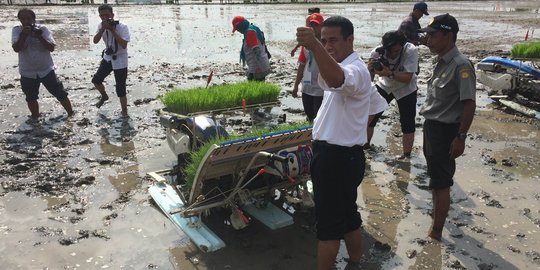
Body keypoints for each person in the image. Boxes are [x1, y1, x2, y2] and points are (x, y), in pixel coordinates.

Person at [297, 16, 383, 270]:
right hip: (345, 156)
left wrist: (314, 46)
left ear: (350, 39)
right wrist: (362, 128)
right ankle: (355, 262)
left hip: (336, 159)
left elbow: (338, 80)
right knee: (347, 216)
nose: (328, 45)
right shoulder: (342, 67)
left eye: (333, 40)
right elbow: (377, 104)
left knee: (328, 226)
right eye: (324, 40)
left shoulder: (355, 70)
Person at [418, 13, 476, 241]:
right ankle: (436, 220)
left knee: (441, 183)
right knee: (435, 178)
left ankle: (436, 233)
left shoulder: (461, 65)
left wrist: (461, 137)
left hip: (445, 132)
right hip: (432, 128)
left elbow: (469, 104)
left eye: (433, 35)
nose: (428, 40)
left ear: (448, 36)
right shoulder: (440, 62)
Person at [11, 8, 74, 119]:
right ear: (20, 20)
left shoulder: (42, 29)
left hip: (46, 69)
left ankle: (71, 113)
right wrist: (24, 35)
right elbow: (16, 48)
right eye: (23, 19)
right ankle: (35, 117)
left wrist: (39, 36)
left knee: (60, 93)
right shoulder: (17, 30)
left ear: (33, 19)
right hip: (27, 71)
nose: (26, 21)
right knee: (30, 97)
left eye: (29, 19)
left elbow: (51, 47)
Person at [367, 30, 419, 159]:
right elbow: (370, 79)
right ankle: (365, 145)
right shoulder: (377, 52)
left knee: (407, 121)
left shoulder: (410, 50)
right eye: (389, 50)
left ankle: (406, 154)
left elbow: (407, 77)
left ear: (402, 45)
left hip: (406, 88)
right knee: (370, 115)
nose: (392, 54)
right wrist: (369, 70)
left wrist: (389, 73)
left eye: (395, 51)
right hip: (385, 84)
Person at [91, 4, 130, 114]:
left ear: (112, 15)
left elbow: (124, 45)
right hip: (108, 57)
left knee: (120, 88)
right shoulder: (101, 26)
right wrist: (102, 30)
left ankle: (124, 112)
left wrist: (113, 30)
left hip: (120, 59)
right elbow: (95, 41)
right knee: (96, 80)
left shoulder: (122, 26)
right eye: (102, 16)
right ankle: (104, 96)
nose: (105, 18)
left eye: (107, 15)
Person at [292, 13, 325, 122]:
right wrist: (296, 85)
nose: (314, 28)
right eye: (312, 26)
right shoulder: (305, 45)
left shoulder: (327, 45)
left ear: (322, 27)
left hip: (321, 88)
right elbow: (302, 66)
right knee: (309, 115)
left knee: (319, 118)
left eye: (316, 25)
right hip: (307, 85)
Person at [232, 16, 270, 81]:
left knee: (256, 86)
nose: (238, 31)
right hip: (258, 64)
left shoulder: (250, 33)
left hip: (258, 67)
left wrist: (258, 68)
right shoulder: (253, 28)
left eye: (237, 29)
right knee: (252, 82)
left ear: (241, 26)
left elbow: (257, 51)